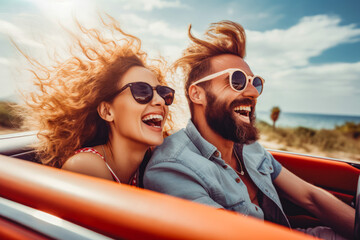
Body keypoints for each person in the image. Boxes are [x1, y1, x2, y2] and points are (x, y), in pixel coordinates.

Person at [143, 20, 354, 239]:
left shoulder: (248, 147)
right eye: (237, 80)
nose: (253, 92)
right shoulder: (172, 168)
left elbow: (309, 197)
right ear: (197, 94)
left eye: (256, 82)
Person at [20, 15, 175, 186]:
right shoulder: (85, 167)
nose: (160, 100)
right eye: (141, 91)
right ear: (107, 111)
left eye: (163, 92)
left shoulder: (151, 162)